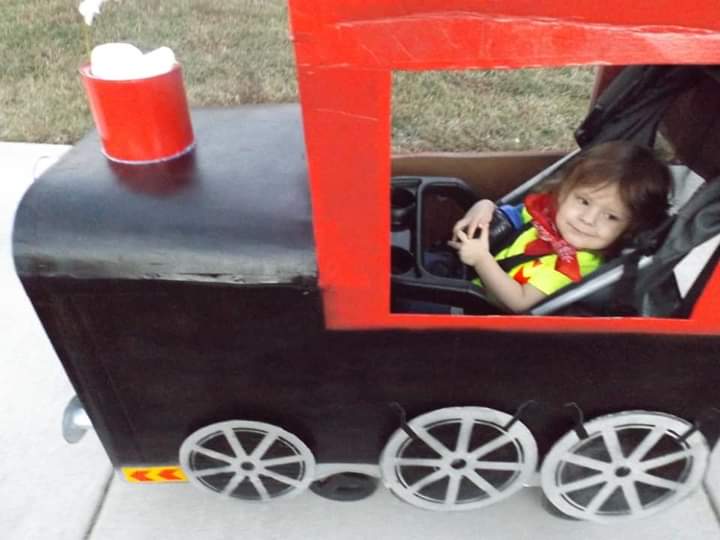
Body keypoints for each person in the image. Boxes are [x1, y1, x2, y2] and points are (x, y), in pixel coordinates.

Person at [448, 141, 671, 313]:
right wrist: (485, 206)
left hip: (472, 308)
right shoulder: (548, 213)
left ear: (628, 229)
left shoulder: (575, 266)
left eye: (611, 217)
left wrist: (481, 259)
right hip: (459, 274)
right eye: (583, 201)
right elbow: (509, 217)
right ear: (563, 191)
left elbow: (520, 302)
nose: (588, 219)